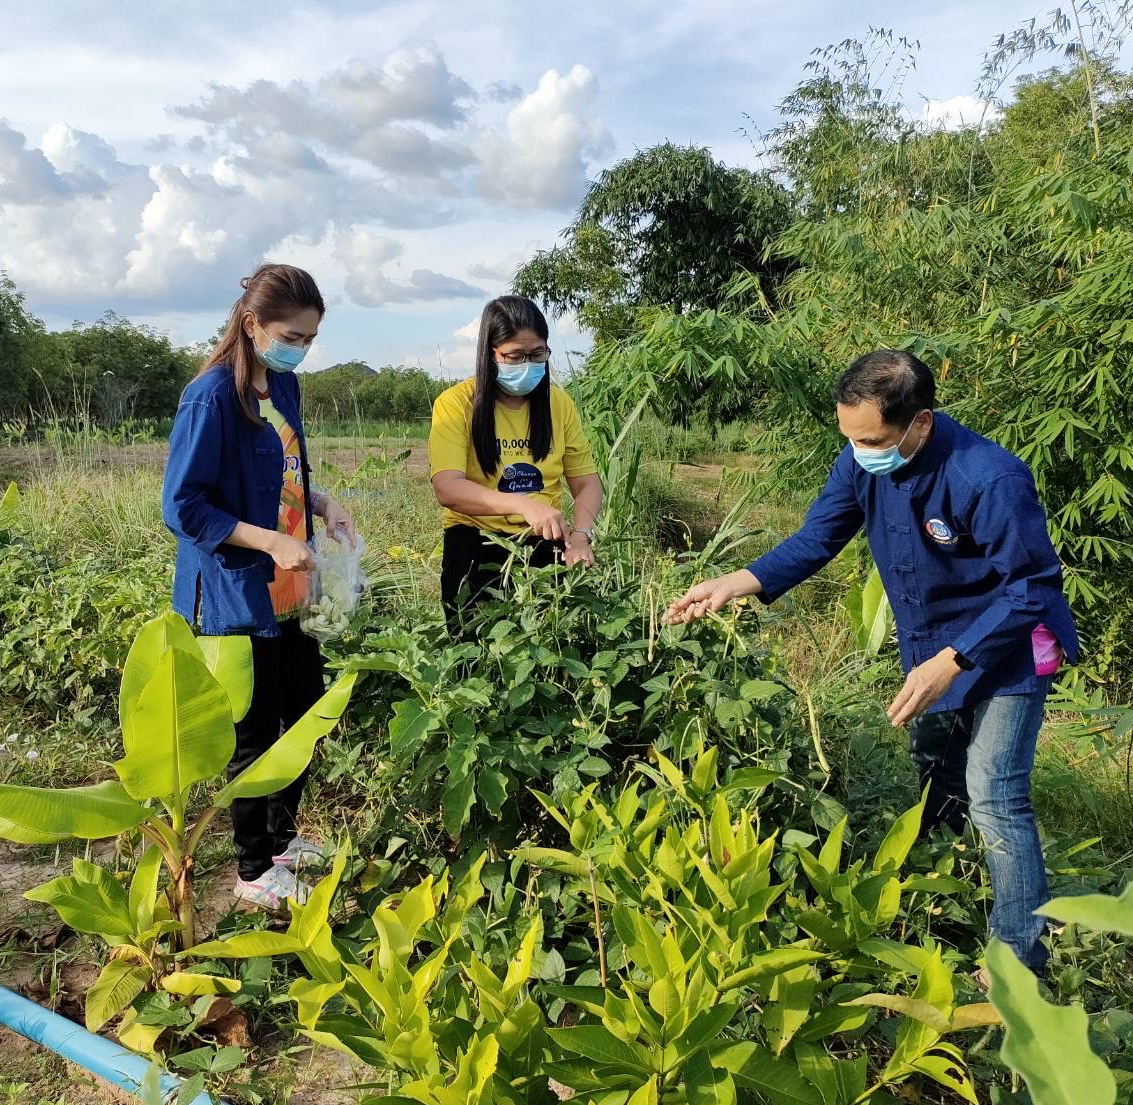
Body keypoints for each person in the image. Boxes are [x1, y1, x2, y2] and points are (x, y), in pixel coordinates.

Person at [665, 349, 1078, 979]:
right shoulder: (863, 462)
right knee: (937, 776)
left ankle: (1020, 959)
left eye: (874, 439)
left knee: (995, 793)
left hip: (1008, 649)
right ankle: (946, 901)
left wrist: (957, 659)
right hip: (930, 651)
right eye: (850, 437)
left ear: (921, 421)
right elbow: (815, 539)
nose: (861, 450)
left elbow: (1031, 588)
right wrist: (735, 582)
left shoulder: (988, 479)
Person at [161, 263, 357, 910]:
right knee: (251, 731)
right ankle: (251, 869)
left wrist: (323, 506)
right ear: (251, 324)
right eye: (289, 335)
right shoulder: (212, 397)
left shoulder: (286, 389)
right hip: (234, 595)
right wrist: (270, 541)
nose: (298, 348)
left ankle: (281, 838)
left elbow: (284, 478)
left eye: (307, 338)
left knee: (301, 710)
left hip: (288, 587)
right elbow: (184, 507)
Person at [428, 295, 604, 631]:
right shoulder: (456, 404)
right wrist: (524, 505)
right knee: (475, 653)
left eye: (537, 354)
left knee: (550, 648)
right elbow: (447, 487)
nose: (527, 364)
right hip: (475, 545)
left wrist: (580, 537)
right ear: (490, 354)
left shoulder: (558, 403)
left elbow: (586, 482)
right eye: (514, 356)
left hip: (545, 545)